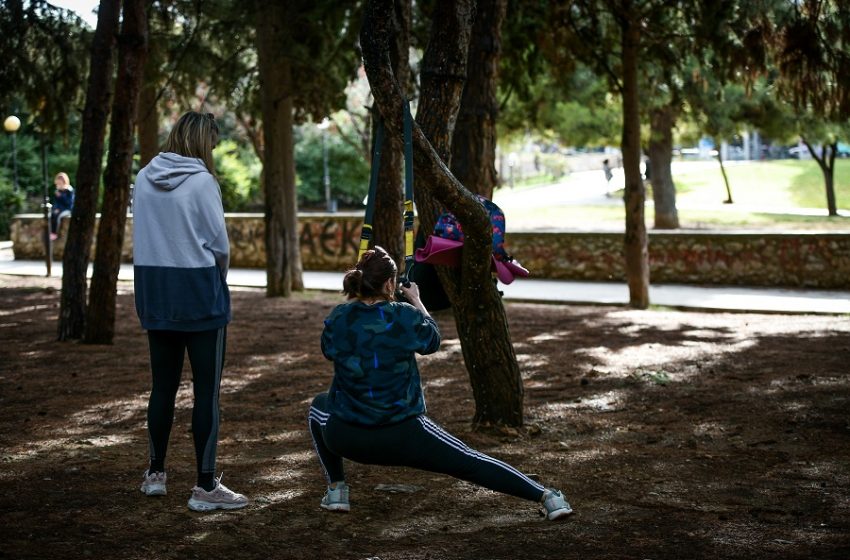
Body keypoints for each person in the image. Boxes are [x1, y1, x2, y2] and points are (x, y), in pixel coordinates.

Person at [308, 246, 573, 521]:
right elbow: (432, 340)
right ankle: (548, 497)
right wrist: (417, 300)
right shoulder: (404, 315)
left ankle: (337, 490)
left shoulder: (339, 316)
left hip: (347, 438)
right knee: (469, 460)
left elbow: (328, 350)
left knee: (319, 405)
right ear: (389, 283)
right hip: (405, 436)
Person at [132, 111, 247, 512]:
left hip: (156, 291)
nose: (214, 151)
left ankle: (155, 474)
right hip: (199, 294)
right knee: (206, 392)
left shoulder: (143, 177)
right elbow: (220, 245)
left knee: (162, 386)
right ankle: (204, 484)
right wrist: (220, 278)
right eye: (213, 144)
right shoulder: (202, 182)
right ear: (202, 142)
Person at [50, 172, 75, 240]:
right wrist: (55, 208)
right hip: (59, 208)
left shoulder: (69, 190)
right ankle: (53, 232)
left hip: (67, 209)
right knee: (53, 214)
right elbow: (56, 202)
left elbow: (69, 203)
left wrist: (60, 196)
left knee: (57, 215)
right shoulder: (58, 190)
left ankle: (55, 232)